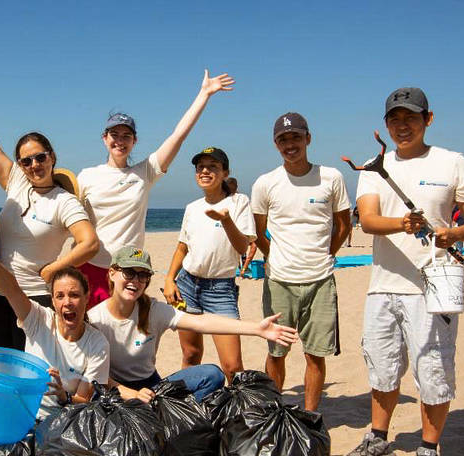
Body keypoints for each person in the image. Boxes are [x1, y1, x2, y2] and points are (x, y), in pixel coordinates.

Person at [344, 87, 464, 456]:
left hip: (433, 286)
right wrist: (403, 224)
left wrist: (454, 233)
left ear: (428, 119)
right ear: (386, 124)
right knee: (382, 365)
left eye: (410, 117)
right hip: (383, 286)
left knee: (433, 371)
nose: (401, 126)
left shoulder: (453, 162)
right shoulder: (375, 165)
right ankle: (378, 436)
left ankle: (428, 450)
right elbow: (369, 220)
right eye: (394, 119)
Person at [0, 86, 99, 350]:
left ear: (52, 157)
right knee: (4, 360)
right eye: (26, 161)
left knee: (28, 364)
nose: (34, 165)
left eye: (40, 157)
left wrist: (55, 268)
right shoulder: (17, 182)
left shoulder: (65, 201)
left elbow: (90, 244)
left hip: (35, 298)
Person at [76, 69, 235, 307]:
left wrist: (204, 94)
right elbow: (67, 220)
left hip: (127, 270)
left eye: (126, 136)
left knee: (123, 336)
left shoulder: (144, 172)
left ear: (134, 141)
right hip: (88, 265)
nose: (120, 140)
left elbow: (178, 136)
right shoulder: (87, 176)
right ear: (104, 138)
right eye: (114, 134)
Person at [88, 246, 297, 404]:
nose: (135, 280)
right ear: (112, 273)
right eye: (128, 273)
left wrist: (257, 329)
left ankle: (166, 413)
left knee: (212, 375)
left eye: (142, 275)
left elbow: (201, 322)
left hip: (152, 385)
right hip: (115, 388)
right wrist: (133, 395)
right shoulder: (95, 319)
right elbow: (96, 375)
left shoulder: (154, 310)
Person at [250, 112, 351, 411]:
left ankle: (309, 416)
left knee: (315, 354)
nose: (290, 144)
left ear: (308, 138)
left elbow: (343, 224)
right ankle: (273, 411)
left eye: (295, 137)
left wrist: (327, 254)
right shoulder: (266, 183)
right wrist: (275, 256)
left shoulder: (331, 177)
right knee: (276, 352)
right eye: (283, 139)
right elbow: (258, 232)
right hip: (279, 280)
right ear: (275, 144)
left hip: (320, 281)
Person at [0, 228, 109, 420]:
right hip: (24, 414)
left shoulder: (97, 344)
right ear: (53, 301)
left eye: (74, 295)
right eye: (60, 296)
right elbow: (11, 288)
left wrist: (62, 395)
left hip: (66, 419)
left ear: (86, 298)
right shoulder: (40, 320)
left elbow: (84, 400)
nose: (67, 302)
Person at [163, 148, 256, 381]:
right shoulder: (192, 208)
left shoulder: (239, 202)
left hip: (220, 290)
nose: (205, 171)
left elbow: (242, 247)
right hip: (187, 285)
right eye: (200, 167)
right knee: (191, 354)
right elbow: (182, 247)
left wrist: (226, 220)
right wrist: (168, 279)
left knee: (232, 365)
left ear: (225, 173)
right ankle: (187, 407)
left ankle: (238, 412)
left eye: (213, 166)